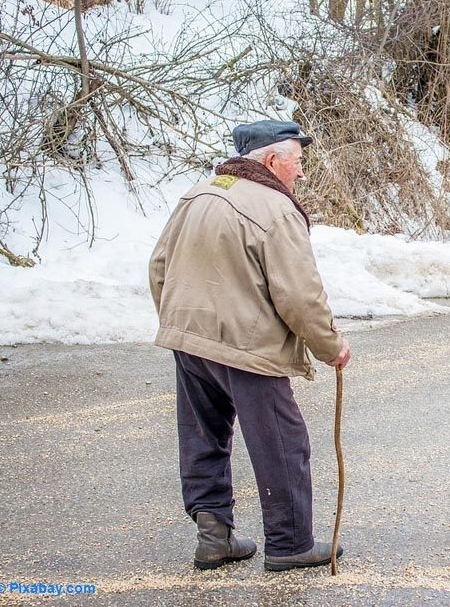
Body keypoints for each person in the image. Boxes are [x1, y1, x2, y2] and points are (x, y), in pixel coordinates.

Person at [149, 120, 351, 572]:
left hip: (189, 337)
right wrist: (329, 346)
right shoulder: (276, 209)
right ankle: (291, 543)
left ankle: (214, 537)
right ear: (273, 160)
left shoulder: (197, 194)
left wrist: (178, 320)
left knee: (204, 436)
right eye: (297, 162)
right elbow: (300, 295)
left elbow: (159, 265)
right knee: (282, 442)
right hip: (246, 345)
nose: (301, 174)